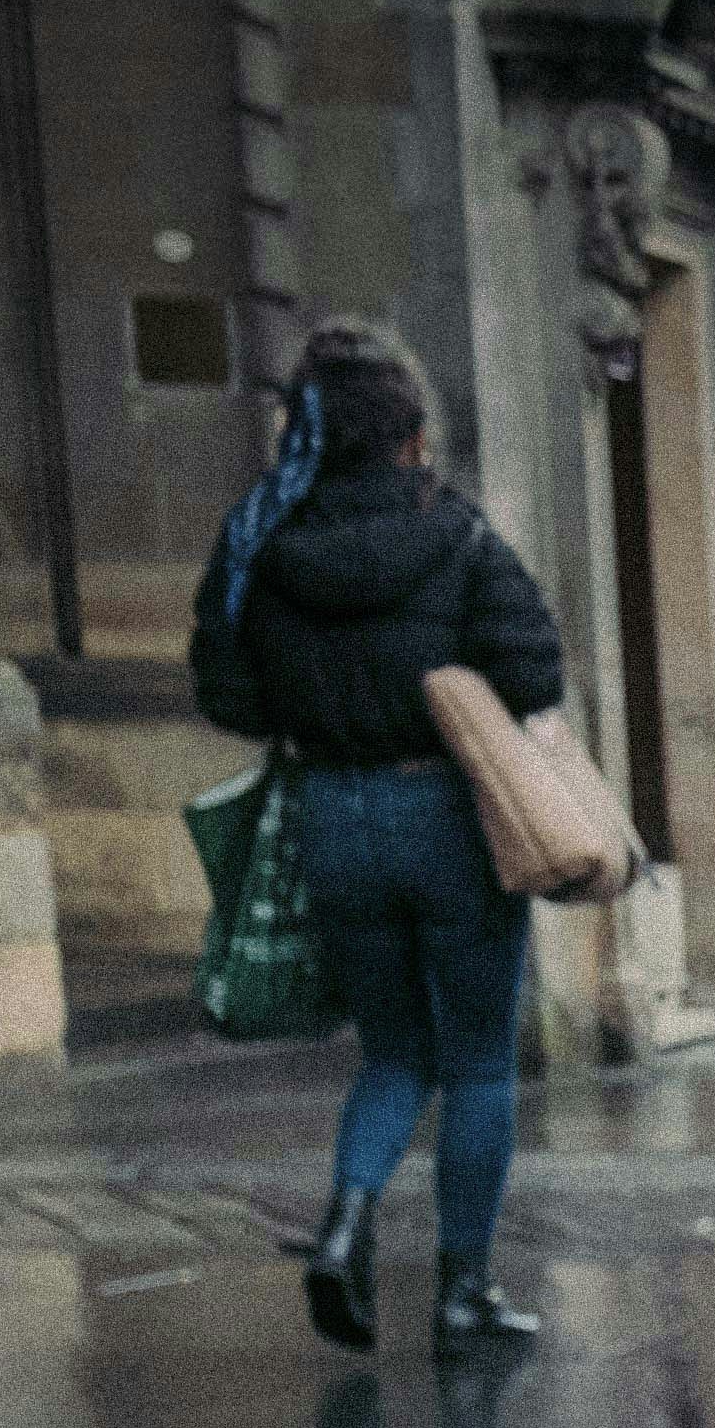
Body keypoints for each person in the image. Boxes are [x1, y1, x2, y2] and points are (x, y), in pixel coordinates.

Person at [192, 319, 572, 1356]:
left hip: (331, 821)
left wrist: (316, 705)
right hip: (446, 815)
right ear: (408, 435)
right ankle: (463, 1294)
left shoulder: (256, 537)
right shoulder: (455, 533)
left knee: (394, 1051)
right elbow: (534, 670)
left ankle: (344, 1224)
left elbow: (226, 692)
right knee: (479, 1063)